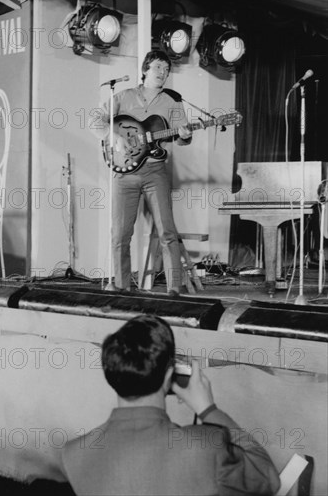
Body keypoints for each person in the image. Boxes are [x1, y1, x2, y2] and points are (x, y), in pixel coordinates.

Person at [59, 315, 280, 496]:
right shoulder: (206, 446)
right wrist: (208, 409)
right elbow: (268, 479)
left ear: (111, 374)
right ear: (168, 376)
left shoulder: (74, 454)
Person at [91, 50, 192, 295]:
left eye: (167, 70)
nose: (163, 73)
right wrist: (112, 136)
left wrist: (185, 135)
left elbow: (181, 139)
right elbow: (96, 120)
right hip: (123, 174)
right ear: (145, 69)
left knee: (167, 231)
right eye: (158, 67)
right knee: (120, 234)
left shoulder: (172, 102)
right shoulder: (123, 96)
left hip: (155, 172)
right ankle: (122, 287)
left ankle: (174, 288)